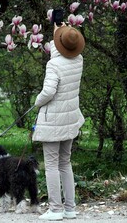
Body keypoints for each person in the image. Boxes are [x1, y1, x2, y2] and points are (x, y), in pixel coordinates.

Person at [32, 21, 85, 221]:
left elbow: (48, 92)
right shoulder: (78, 59)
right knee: (65, 163)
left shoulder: (53, 65)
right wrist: (60, 35)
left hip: (53, 120)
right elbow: (64, 54)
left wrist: (37, 102)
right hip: (70, 118)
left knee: (52, 165)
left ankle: (55, 209)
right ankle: (69, 208)